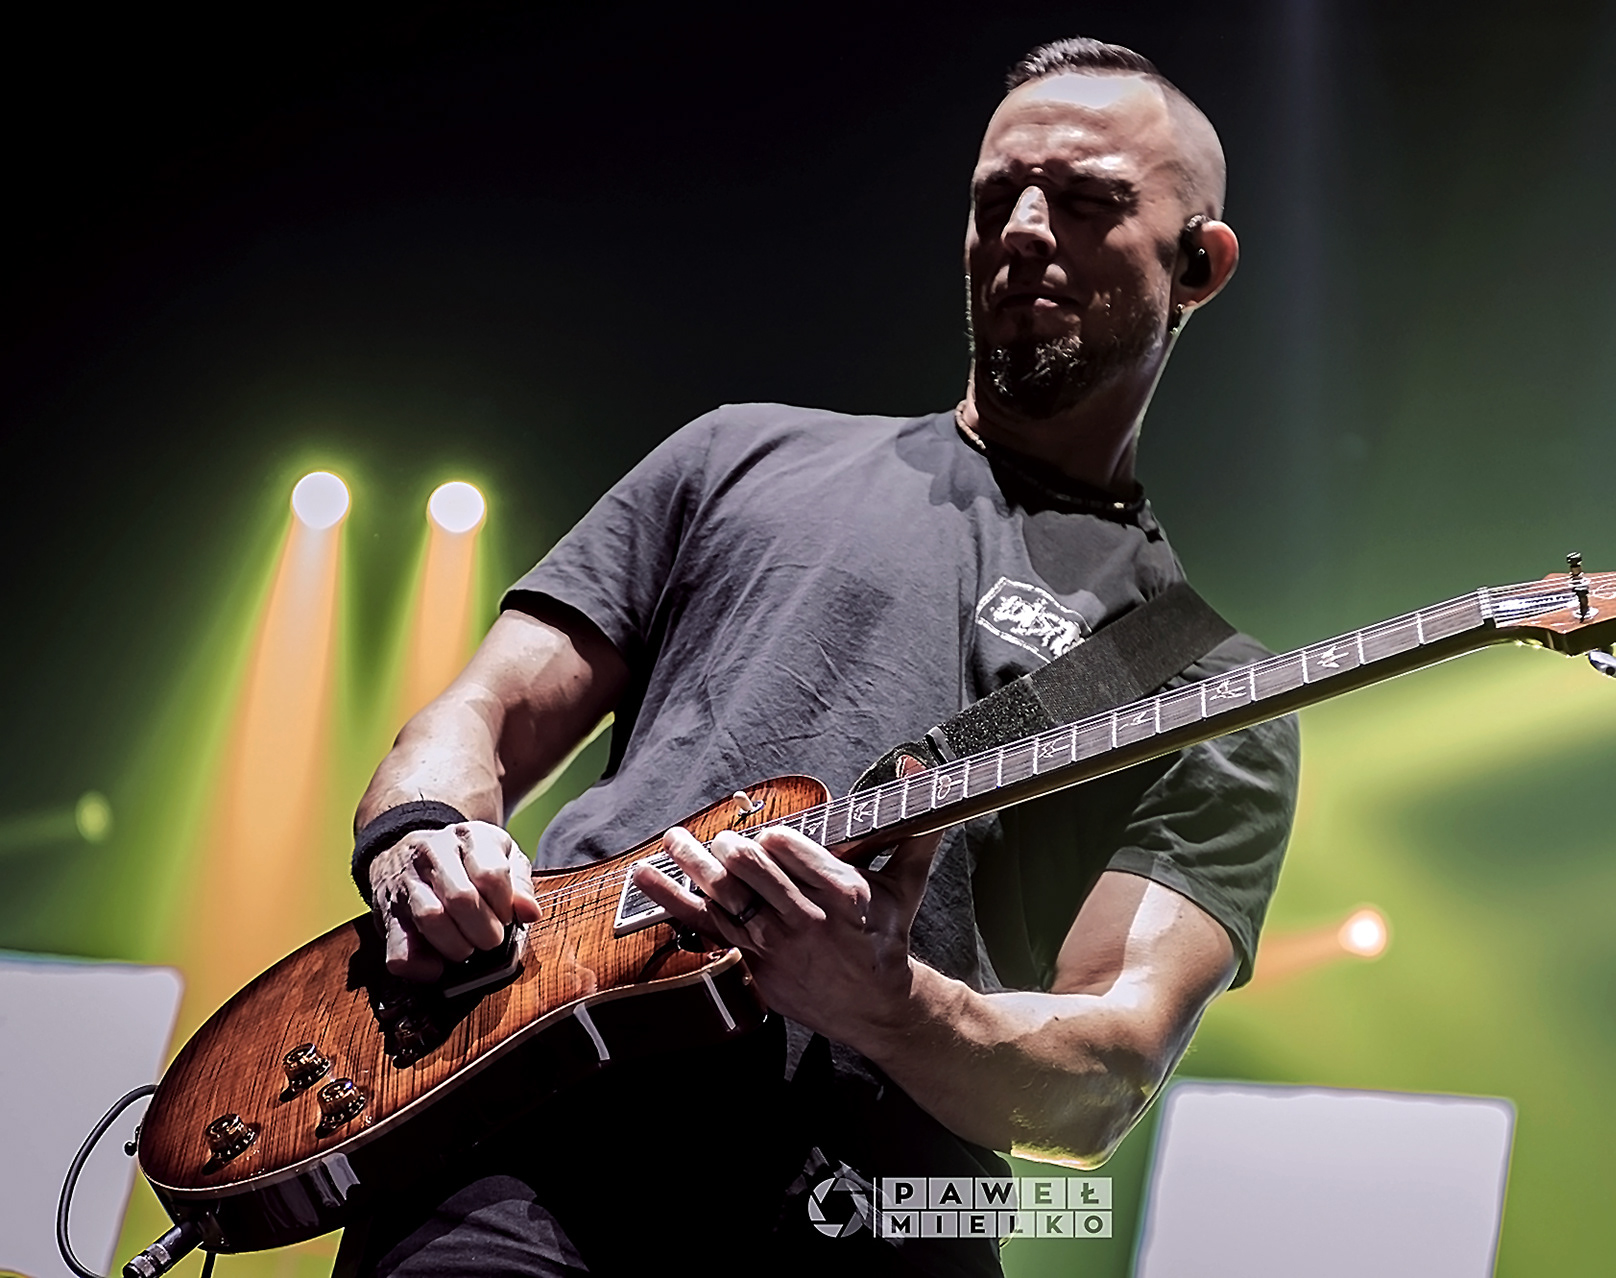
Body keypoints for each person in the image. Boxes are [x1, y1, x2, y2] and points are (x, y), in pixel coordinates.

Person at [339, 36, 1299, 1277]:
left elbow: (1103, 1077)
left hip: (865, 1217)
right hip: (520, 1148)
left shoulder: (1209, 686)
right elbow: (480, 712)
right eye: (996, 195)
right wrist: (422, 839)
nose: (1021, 230)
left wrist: (889, 1003)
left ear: (1199, 263)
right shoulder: (740, 453)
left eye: (1085, 199)